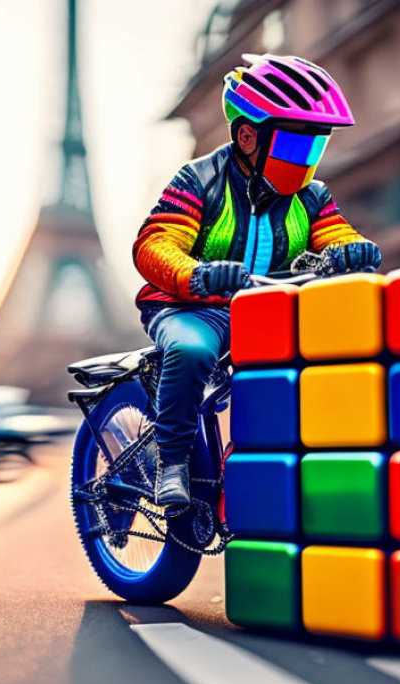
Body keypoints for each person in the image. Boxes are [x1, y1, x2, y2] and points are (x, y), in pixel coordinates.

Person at [132, 53, 381, 507]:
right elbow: (155, 244)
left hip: (268, 308)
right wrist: (198, 274)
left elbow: (334, 234)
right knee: (191, 351)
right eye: (294, 147)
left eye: (313, 149)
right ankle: (171, 464)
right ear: (248, 136)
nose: (304, 162)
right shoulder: (199, 179)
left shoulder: (312, 196)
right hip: (193, 307)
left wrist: (351, 249)